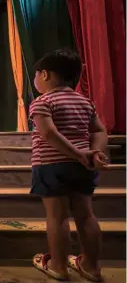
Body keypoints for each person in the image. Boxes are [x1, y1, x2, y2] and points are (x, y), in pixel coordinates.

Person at [29, 49, 108, 282]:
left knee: (57, 218)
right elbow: (100, 130)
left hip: (51, 165)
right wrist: (94, 154)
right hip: (83, 167)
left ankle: (58, 266)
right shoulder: (85, 102)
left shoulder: (43, 101)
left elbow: (48, 133)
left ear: (44, 75)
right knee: (86, 216)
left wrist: (76, 153)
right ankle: (92, 268)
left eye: (35, 75)